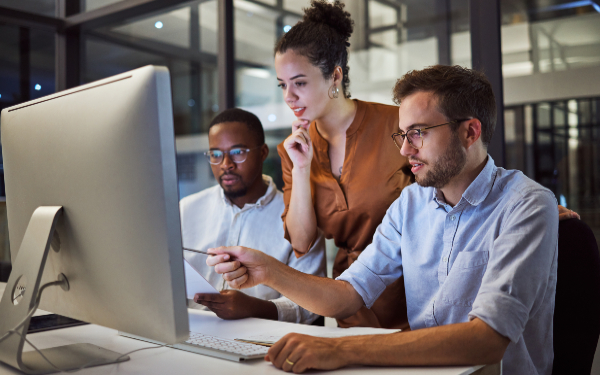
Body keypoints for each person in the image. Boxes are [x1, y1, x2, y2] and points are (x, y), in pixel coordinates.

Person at [208, 66, 558, 374]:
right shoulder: (411, 203)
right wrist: (268, 270)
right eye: (402, 134)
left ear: (470, 132)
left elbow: (487, 340)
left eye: (418, 132)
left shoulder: (526, 206)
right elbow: (348, 295)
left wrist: (340, 349)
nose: (405, 150)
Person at [180, 108, 325, 324]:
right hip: (191, 331)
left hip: (262, 340)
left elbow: (313, 304)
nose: (225, 164)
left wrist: (255, 308)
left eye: (238, 152)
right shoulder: (187, 209)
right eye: (216, 154)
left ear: (263, 153)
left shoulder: (298, 217)